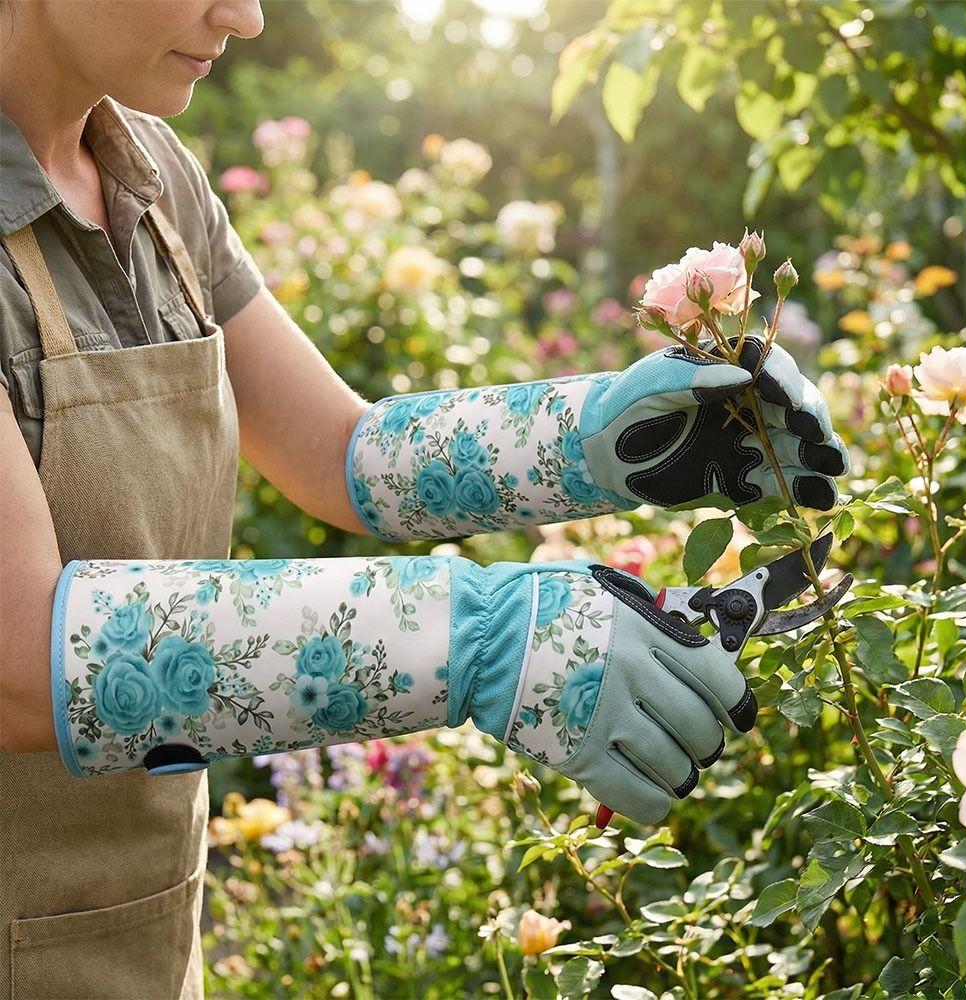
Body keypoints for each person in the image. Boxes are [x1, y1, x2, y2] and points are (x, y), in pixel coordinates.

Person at [0, 3, 850, 997]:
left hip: (130, 930)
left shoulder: (144, 167)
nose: (248, 15)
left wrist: (596, 439)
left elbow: (336, 450)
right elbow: (22, 662)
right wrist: (474, 638)